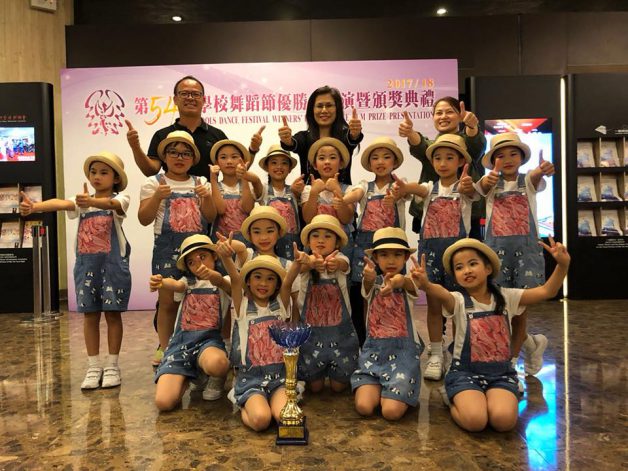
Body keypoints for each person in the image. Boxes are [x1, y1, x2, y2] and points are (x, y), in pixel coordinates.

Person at [410, 237, 570, 432]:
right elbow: (440, 292)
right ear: (455, 276)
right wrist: (426, 285)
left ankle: (474, 399)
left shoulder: (508, 297)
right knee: (475, 421)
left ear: (488, 268)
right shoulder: (458, 300)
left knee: (504, 421)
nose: (467, 270)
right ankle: (451, 398)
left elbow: (547, 291)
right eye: (459, 267)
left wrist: (562, 265)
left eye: (473, 263)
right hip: (465, 374)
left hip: (501, 375)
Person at [20, 152, 131, 390]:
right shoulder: (81, 202)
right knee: (90, 316)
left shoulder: (121, 199)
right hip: (86, 268)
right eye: (93, 172)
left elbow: (111, 205)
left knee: (113, 315)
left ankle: (113, 365)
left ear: (116, 179)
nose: (97, 176)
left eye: (104, 172)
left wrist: (90, 202)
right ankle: (93, 366)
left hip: (113, 268)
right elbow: (61, 203)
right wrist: (35, 206)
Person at [392, 134, 477, 381]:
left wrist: (469, 186)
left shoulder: (466, 189)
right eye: (438, 158)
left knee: (460, 305)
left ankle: (460, 353)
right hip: (430, 255)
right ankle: (436, 354)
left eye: (449, 158)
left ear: (461, 161)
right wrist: (404, 188)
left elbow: (473, 191)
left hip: (458, 258)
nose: (443, 163)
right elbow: (416, 188)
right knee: (433, 305)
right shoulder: (430, 188)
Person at [477, 132, 555, 376]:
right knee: (500, 310)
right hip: (496, 256)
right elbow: (482, 188)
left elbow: (536, 176)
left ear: (522, 158)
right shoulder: (489, 183)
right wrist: (488, 180)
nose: (508, 159)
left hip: (525, 255)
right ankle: (531, 344)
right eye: (500, 156)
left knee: (519, 311)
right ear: (492, 161)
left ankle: (510, 364)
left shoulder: (528, 181)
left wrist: (542, 169)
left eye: (513, 154)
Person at [138, 130, 216, 366]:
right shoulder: (153, 183)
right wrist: (157, 197)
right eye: (173, 152)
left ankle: (195, 346)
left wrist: (207, 197)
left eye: (185, 153)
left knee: (199, 298)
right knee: (167, 302)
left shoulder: (201, 182)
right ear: (164, 156)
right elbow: (143, 218)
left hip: (198, 250)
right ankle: (165, 349)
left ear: (193, 158)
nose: (179, 157)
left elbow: (211, 216)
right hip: (165, 249)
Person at [216, 239, 300, 432]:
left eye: (270, 279)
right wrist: (226, 257)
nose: (263, 283)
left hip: (279, 379)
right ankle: (242, 403)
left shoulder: (281, 305)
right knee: (261, 420)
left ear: (277, 284)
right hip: (251, 380)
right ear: (248, 281)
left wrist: (297, 263)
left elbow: (288, 282)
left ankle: (268, 403)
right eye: (257, 277)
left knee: (284, 418)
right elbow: (234, 278)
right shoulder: (242, 305)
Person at [126, 75, 264, 179]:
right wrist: (135, 147)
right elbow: (150, 171)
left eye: (196, 94)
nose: (190, 98)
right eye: (184, 94)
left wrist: (252, 150)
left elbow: (237, 170)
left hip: (210, 200)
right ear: (175, 99)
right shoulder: (162, 135)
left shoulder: (217, 135)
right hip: (171, 199)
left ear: (204, 100)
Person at [150, 235, 231, 411]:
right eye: (191, 262)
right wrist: (161, 282)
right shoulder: (188, 282)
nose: (198, 264)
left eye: (203, 257)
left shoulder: (223, 281)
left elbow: (225, 284)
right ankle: (189, 376)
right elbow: (176, 285)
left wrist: (214, 276)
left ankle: (215, 377)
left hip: (208, 343)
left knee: (218, 363)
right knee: (164, 403)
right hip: (181, 345)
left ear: (214, 256)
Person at [351, 228, 423, 421]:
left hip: (403, 358)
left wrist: (396, 282)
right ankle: (383, 388)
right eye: (384, 255)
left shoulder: (410, 282)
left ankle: (398, 391)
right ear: (375, 258)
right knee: (364, 407)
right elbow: (367, 288)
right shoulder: (372, 282)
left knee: (391, 412)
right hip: (373, 355)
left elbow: (403, 282)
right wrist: (368, 278)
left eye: (397, 255)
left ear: (406, 257)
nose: (391, 261)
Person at [343, 137, 410, 344]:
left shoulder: (400, 184)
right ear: (370, 163)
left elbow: (405, 192)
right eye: (375, 158)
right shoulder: (365, 185)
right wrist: (343, 199)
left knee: (393, 292)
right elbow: (356, 194)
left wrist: (396, 196)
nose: (380, 161)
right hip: (365, 247)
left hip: (392, 248)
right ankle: (367, 339)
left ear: (395, 162)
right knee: (365, 294)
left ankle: (393, 337)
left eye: (386, 157)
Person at [398, 97, 486, 237]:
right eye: (439, 113)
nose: (443, 116)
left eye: (449, 112)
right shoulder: (431, 147)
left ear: (460, 116)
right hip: (430, 213)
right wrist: (410, 133)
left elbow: (475, 142)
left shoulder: (467, 144)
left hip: (467, 215)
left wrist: (471, 126)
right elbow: (420, 145)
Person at [294, 215, 359, 393]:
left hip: (340, 334)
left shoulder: (341, 258)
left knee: (338, 387)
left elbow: (344, 265)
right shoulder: (305, 260)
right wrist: (310, 264)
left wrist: (335, 263)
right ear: (308, 241)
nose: (321, 240)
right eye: (315, 236)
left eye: (327, 236)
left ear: (337, 243)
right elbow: (299, 268)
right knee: (315, 387)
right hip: (311, 336)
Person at [278, 85, 363, 184]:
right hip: (309, 193)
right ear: (312, 110)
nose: (324, 110)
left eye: (329, 105)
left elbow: (352, 139)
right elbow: (293, 144)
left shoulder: (345, 136)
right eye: (319, 106)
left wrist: (355, 134)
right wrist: (287, 141)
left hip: (342, 193)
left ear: (337, 109)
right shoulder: (304, 137)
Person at [300, 137, 355, 259]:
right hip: (315, 244)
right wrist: (314, 193)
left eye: (333, 157)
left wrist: (337, 191)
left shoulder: (349, 190)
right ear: (315, 165)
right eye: (321, 158)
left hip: (342, 244)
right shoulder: (308, 189)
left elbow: (346, 218)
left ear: (341, 163)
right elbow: (308, 218)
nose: (327, 162)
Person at [209, 139, 263, 245]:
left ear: (243, 161)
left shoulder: (249, 186)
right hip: (221, 244)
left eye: (234, 157)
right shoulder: (211, 187)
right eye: (223, 157)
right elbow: (221, 209)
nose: (229, 161)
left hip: (246, 245)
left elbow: (247, 208)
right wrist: (213, 180)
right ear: (216, 163)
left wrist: (244, 176)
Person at [258, 144, 303, 260]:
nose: (279, 166)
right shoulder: (262, 189)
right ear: (267, 167)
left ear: (290, 168)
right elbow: (253, 180)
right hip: (268, 244)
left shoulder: (296, 190)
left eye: (284, 163)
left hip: (294, 245)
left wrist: (297, 194)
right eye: (274, 163)